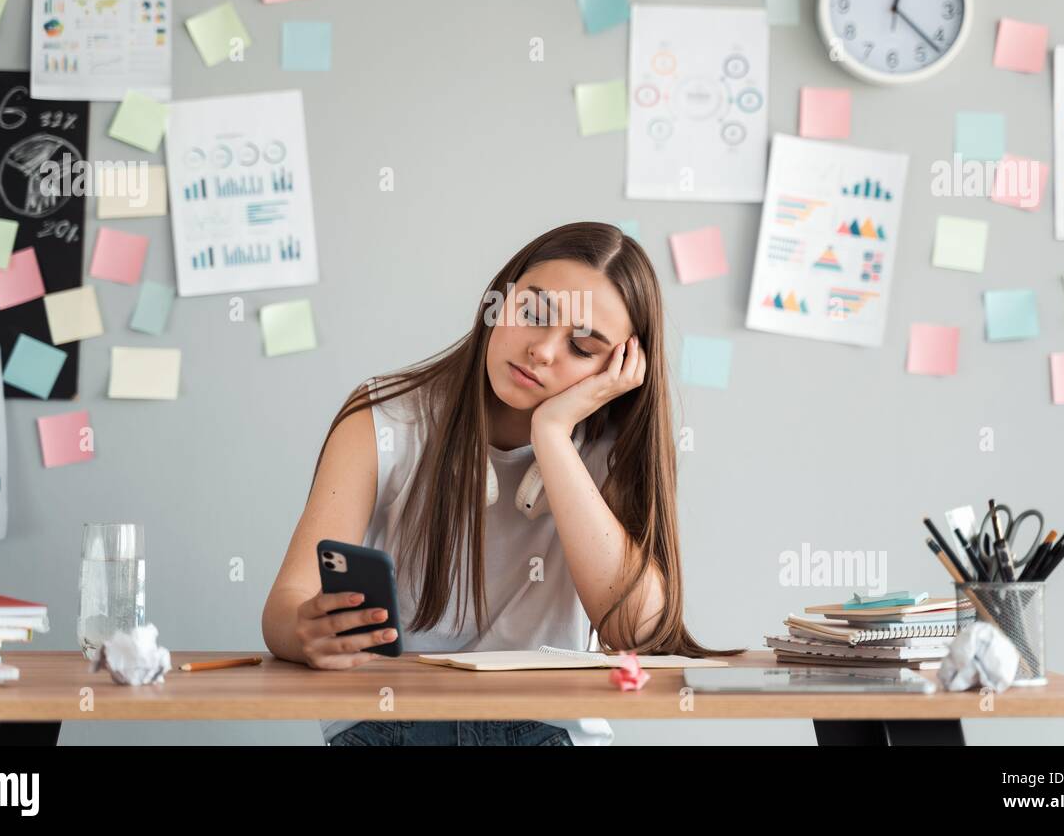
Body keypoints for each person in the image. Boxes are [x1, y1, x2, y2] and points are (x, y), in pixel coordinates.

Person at [262, 221, 743, 745]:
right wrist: (305, 632)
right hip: (390, 721)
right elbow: (287, 604)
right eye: (533, 313)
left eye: (582, 346)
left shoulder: (611, 451)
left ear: (621, 367)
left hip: (545, 726)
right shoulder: (382, 418)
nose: (542, 350)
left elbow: (638, 631)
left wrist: (553, 437)